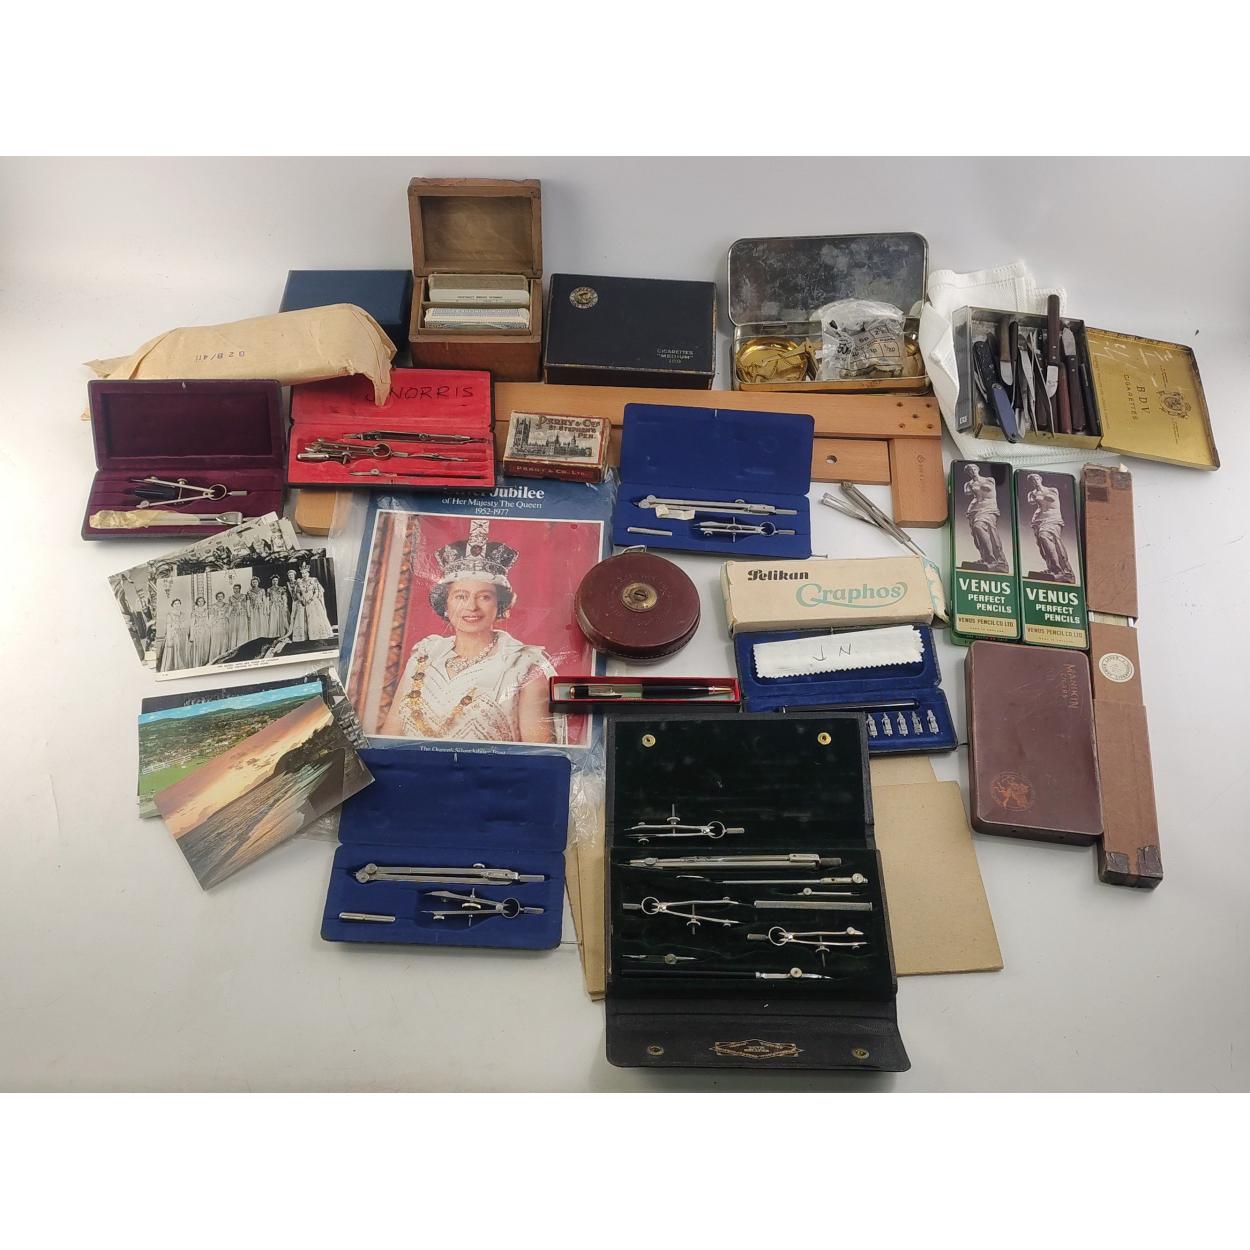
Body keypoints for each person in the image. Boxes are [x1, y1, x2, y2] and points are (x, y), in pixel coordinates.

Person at [380, 518, 562, 744]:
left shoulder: (523, 666)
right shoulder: (423, 655)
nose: (471, 607)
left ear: (500, 605)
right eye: (461, 596)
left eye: (484, 597)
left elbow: (539, 756)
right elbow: (389, 739)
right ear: (445, 605)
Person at [1025, 473, 1075, 581]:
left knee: (1046, 537)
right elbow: (1031, 502)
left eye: (1037, 478)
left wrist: (1040, 495)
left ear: (1041, 479)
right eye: (1032, 480)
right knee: (1043, 546)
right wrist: (1035, 496)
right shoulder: (1031, 493)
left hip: (1053, 519)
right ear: (1031, 483)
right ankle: (1053, 569)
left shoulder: (1052, 490)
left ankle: (1064, 571)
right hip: (1038, 521)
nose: (1035, 481)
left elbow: (1052, 499)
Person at [962, 464, 1009, 572]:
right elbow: (967, 492)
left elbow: (990, 489)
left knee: (982, 528)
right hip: (974, 510)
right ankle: (986, 559)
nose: (972, 471)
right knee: (977, 536)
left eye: (974, 469)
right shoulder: (968, 484)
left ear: (978, 469)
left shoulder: (989, 479)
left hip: (989, 509)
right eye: (970, 470)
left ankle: (998, 561)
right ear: (968, 473)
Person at [295, 564, 334, 642]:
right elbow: (298, 593)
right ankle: (306, 636)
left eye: (305, 573)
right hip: (304, 601)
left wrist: (311, 599)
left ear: (308, 573)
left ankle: (316, 634)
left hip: (313, 600)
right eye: (302, 573)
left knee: (314, 617)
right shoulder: (299, 582)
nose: (304, 574)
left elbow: (316, 591)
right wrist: (301, 600)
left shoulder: (313, 580)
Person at [157, 598, 192, 672]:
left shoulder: (183, 614)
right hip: (174, 634)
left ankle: (183, 666)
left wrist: (186, 633)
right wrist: (169, 637)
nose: (177, 605)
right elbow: (168, 626)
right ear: (172, 605)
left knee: (182, 650)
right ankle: (175, 666)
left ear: (180, 604)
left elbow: (186, 624)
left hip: (183, 634)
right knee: (174, 650)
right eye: (175, 604)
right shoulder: (169, 614)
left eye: (178, 603)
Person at [188, 596, 213, 667]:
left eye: (202, 601)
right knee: (198, 647)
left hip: (206, 631)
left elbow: (209, 622)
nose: (200, 603)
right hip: (197, 631)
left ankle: (205, 663)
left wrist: (211, 630)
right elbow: (192, 624)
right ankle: (198, 664)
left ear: (204, 602)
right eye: (199, 601)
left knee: (206, 647)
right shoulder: (194, 612)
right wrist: (191, 635)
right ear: (197, 602)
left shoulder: (207, 611)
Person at [208, 590, 232, 660]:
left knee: (224, 640)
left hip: (224, 624)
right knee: (216, 640)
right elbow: (211, 616)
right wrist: (210, 625)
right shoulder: (213, 606)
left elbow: (228, 615)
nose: (220, 598)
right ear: (216, 597)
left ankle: (223, 656)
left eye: (221, 596)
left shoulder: (227, 605)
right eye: (218, 596)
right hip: (216, 624)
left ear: (223, 597)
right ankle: (215, 657)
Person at [226, 583, 250, 651]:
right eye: (234, 588)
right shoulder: (230, 597)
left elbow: (246, 605)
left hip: (242, 614)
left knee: (242, 629)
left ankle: (242, 645)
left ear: (240, 589)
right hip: (234, 615)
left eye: (237, 588)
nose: (236, 590)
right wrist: (228, 615)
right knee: (234, 629)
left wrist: (248, 614)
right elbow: (230, 607)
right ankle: (234, 646)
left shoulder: (244, 596)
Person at [245, 576, 268, 640]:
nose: (254, 583)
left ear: (258, 582)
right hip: (253, 609)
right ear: (251, 583)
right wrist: (248, 612)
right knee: (254, 622)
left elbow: (264, 600)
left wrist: (265, 609)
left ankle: (262, 636)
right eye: (253, 582)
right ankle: (254, 637)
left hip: (260, 608)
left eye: (256, 582)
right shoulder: (249, 592)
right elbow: (248, 602)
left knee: (261, 622)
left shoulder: (262, 590)